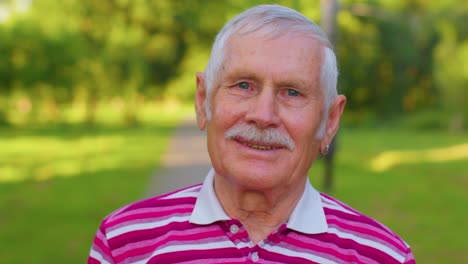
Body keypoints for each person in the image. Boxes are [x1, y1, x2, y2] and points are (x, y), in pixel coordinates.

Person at [88, 4, 415, 264]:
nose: (263, 115)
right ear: (203, 101)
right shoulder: (125, 242)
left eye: (292, 92)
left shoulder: (382, 256)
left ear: (330, 120)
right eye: (243, 85)